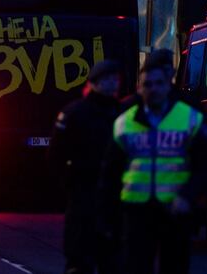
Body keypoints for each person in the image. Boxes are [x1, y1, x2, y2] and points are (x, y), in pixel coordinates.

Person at [101, 59, 207, 274]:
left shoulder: (189, 117)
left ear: (168, 85)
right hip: (136, 212)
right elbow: (110, 172)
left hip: (175, 210)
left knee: (173, 267)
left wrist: (187, 196)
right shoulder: (124, 121)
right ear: (139, 87)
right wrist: (109, 215)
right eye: (147, 84)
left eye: (158, 83)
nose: (153, 89)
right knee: (135, 267)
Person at [49, 60, 123, 273]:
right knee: (79, 259)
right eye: (106, 79)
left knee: (112, 259)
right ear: (93, 83)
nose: (111, 84)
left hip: (114, 198)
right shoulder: (75, 113)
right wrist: (69, 183)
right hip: (84, 193)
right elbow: (56, 155)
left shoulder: (123, 114)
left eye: (114, 79)